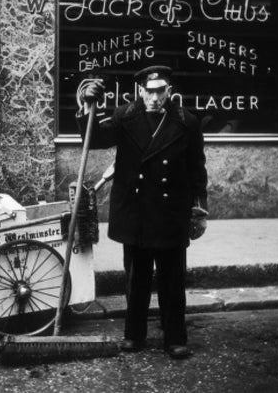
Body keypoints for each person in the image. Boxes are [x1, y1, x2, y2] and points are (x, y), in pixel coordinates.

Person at [76, 66, 208, 359]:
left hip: (171, 211)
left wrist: (199, 209)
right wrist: (88, 105)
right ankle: (134, 334)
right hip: (136, 211)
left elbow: (197, 168)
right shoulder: (125, 116)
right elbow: (94, 138)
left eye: (161, 91)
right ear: (140, 91)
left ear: (169, 91)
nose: (155, 97)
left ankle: (175, 337)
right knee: (136, 278)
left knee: (172, 280)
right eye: (149, 91)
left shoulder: (187, 122)